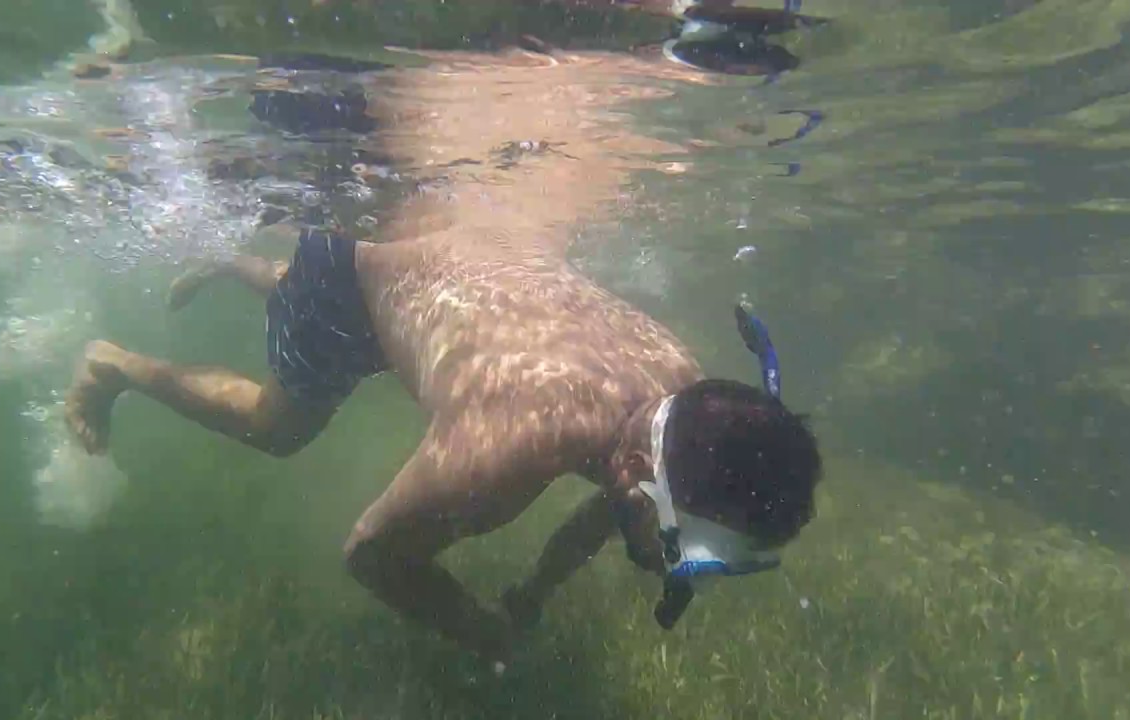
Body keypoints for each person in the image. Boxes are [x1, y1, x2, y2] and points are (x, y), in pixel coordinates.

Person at [64, 9, 823, 670]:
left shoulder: (679, 390)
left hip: (420, 266)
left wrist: (534, 590)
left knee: (336, 307)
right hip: (352, 274)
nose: (683, 571)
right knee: (277, 427)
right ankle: (114, 367)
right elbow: (372, 554)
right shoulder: (510, 443)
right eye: (694, 555)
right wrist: (485, 632)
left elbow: (606, 513)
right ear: (634, 473)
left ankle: (238, 264)